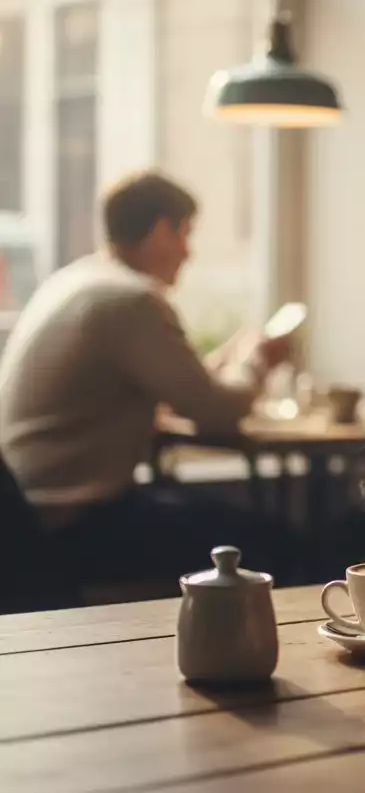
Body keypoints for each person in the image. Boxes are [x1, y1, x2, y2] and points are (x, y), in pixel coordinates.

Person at [0, 170, 296, 590]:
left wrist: (227, 358)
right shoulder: (131, 299)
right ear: (160, 230)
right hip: (74, 520)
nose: (188, 253)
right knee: (274, 542)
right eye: (185, 234)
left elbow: (177, 390)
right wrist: (257, 360)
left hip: (30, 512)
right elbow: (215, 412)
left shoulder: (79, 280)